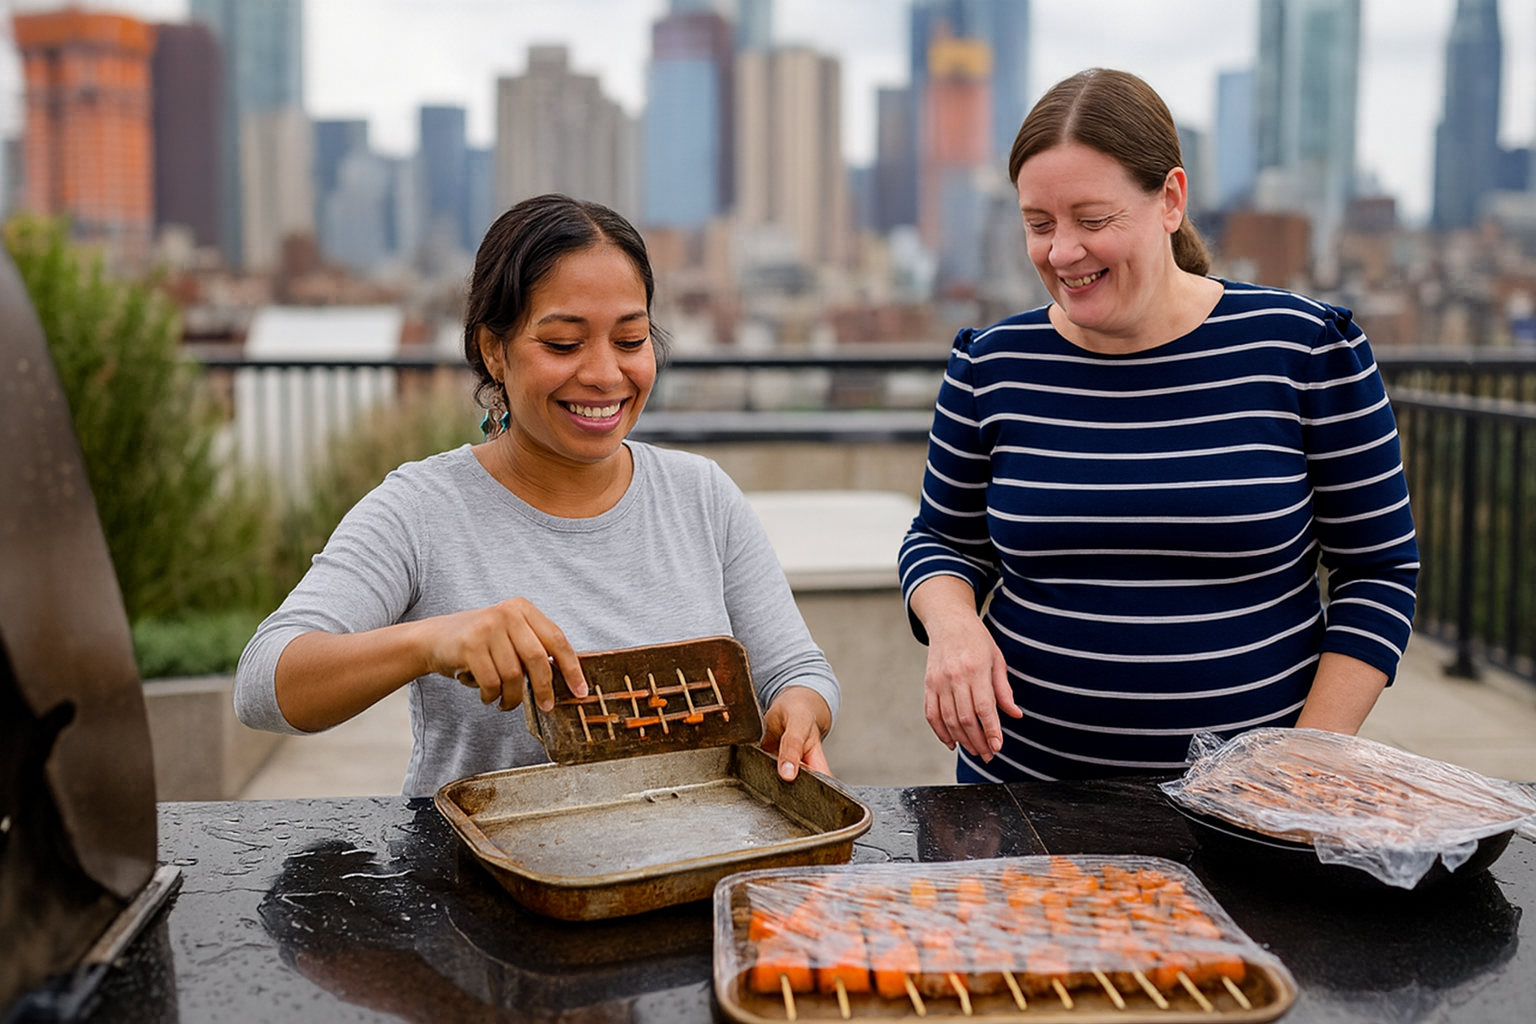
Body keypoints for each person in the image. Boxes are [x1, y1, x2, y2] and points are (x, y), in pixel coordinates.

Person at [897, 69, 1418, 784]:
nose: (1062, 252)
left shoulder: (1305, 350)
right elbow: (941, 539)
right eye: (1039, 224)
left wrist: (1308, 758)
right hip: (1022, 806)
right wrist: (953, 623)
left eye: (1092, 219)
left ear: (1170, 200)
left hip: (1251, 813)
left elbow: (1379, 571)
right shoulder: (991, 367)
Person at [236, 194, 838, 797]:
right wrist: (431, 641)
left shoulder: (701, 496)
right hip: (476, 876)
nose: (605, 374)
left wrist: (798, 711)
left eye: (630, 341)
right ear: (494, 350)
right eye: (562, 345)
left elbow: (797, 670)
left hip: (687, 862)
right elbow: (265, 683)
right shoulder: (422, 510)